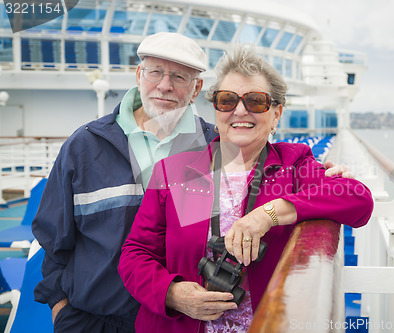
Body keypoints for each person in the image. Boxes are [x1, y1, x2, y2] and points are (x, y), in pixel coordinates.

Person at [31, 33, 352, 332]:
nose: (165, 86)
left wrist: (321, 179)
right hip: (92, 317)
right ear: (139, 75)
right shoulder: (86, 145)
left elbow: (342, 194)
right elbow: (53, 236)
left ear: (197, 89)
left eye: (180, 77)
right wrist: (60, 307)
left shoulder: (219, 145)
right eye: (155, 72)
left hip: (173, 316)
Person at [118, 46, 374, 333]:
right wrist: (172, 294)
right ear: (216, 109)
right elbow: (136, 254)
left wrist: (269, 213)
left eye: (255, 101)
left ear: (276, 114)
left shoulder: (293, 164)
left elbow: (358, 199)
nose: (240, 110)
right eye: (227, 100)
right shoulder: (177, 172)